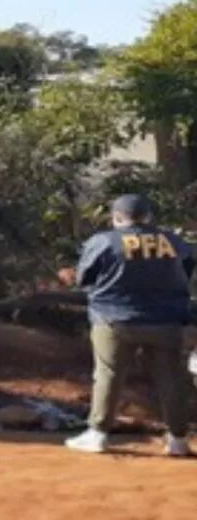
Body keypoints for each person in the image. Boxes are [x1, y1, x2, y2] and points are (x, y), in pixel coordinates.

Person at [64, 194, 194, 457]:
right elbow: (187, 269)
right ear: (148, 217)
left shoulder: (103, 241)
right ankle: (178, 439)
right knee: (170, 378)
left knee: (108, 375)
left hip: (113, 319)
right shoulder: (175, 242)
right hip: (166, 320)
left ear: (116, 217)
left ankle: (98, 434)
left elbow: (83, 277)